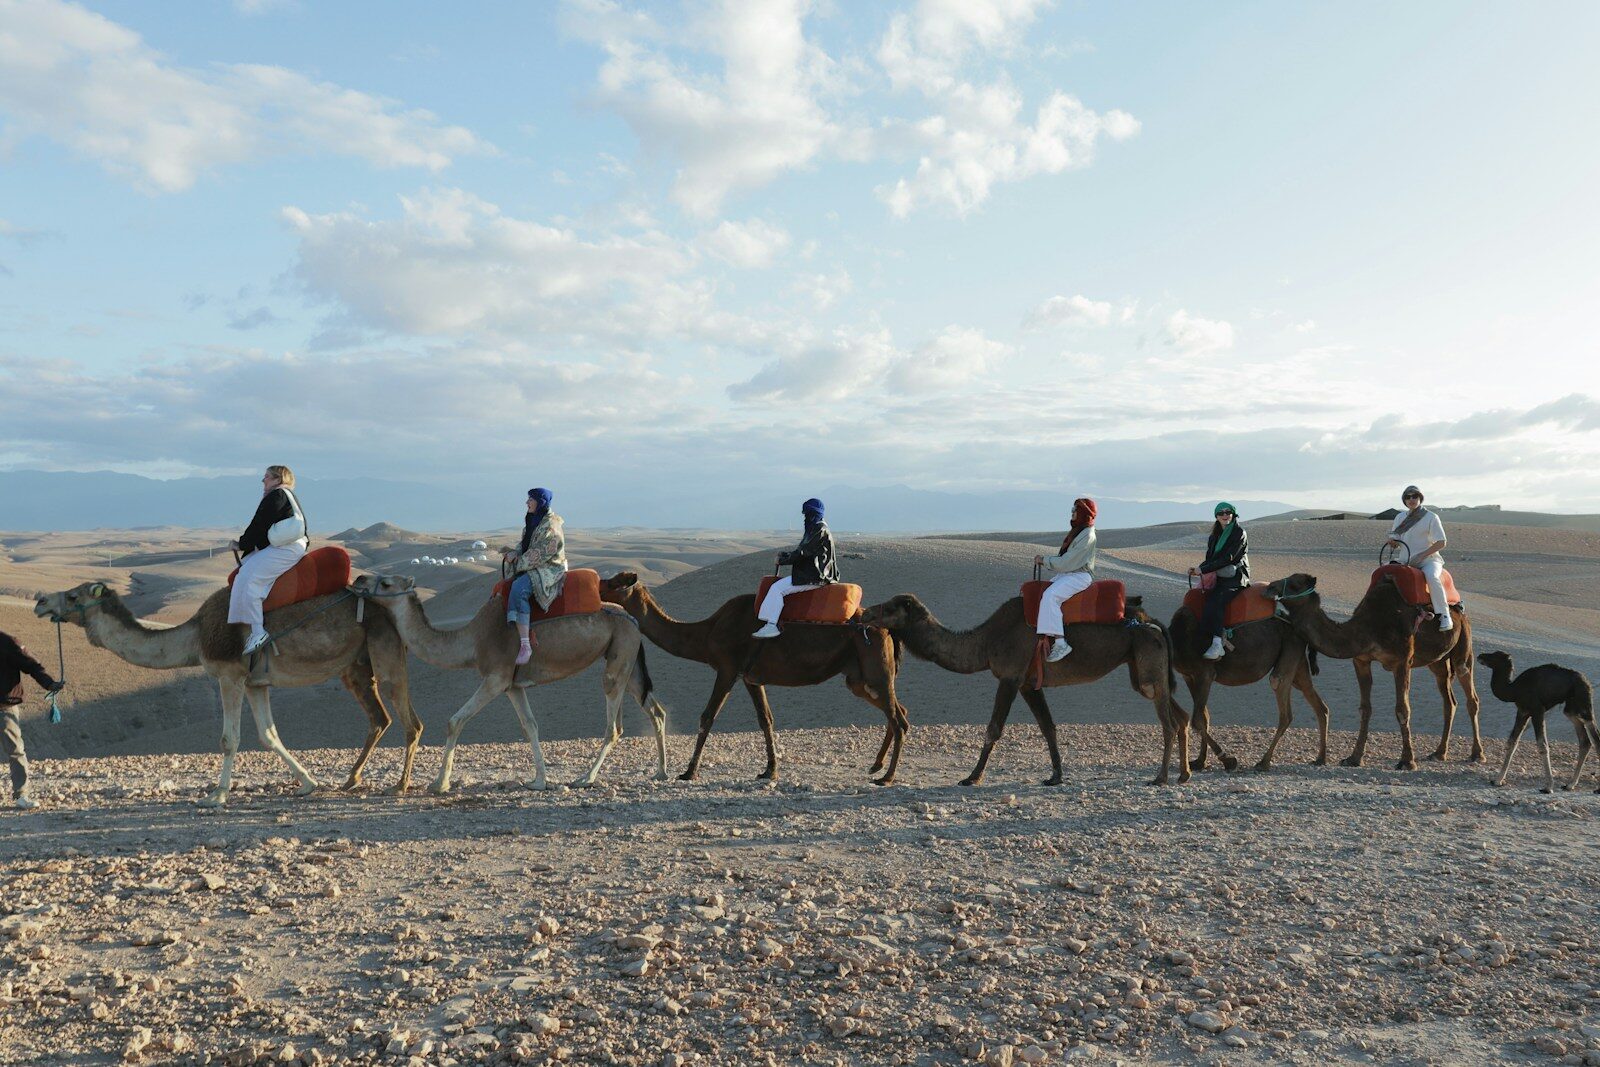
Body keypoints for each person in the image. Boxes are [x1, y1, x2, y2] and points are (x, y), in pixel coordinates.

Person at [228, 465, 308, 656]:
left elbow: (260, 524)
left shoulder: (277, 496)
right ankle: (247, 626)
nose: (263, 481)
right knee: (245, 573)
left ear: (278, 479)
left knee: (251, 580)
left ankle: (258, 632)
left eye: (267, 477)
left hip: (286, 549)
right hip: (284, 546)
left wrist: (241, 544)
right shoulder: (285, 496)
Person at [754, 498, 837, 638]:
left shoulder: (819, 529)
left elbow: (803, 553)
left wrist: (783, 560)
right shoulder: (816, 528)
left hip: (816, 576)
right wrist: (786, 555)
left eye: (807, 514)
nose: (805, 517)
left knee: (777, 589)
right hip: (815, 573)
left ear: (813, 513)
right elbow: (803, 550)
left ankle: (771, 625)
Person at [502, 488, 568, 665]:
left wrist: (517, 562)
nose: (527, 502)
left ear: (541, 502)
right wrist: (515, 552)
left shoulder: (552, 527)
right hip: (533, 563)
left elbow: (540, 554)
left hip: (550, 567)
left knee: (519, 588)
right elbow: (525, 544)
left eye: (530, 499)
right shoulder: (533, 521)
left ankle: (525, 644)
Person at [1, 628, 64, 810]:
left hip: (4, 706)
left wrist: (49, 683)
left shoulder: (8, 642)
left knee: (15, 750)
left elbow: (32, 665)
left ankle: (22, 795)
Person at [1033, 497, 1099, 663]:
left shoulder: (1087, 535)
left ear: (1083, 513)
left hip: (1079, 575)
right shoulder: (1079, 532)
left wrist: (1044, 560)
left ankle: (1061, 643)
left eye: (1075, 511)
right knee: (1043, 592)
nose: (1072, 513)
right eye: (1072, 510)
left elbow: (1067, 562)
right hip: (1069, 573)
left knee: (1051, 596)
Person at [1385, 485, 1452, 631]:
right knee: (1381, 574)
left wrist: (1422, 555)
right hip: (1405, 560)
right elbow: (1395, 538)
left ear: (1420, 498)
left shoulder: (1431, 517)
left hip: (1429, 560)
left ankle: (1444, 615)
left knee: (1432, 576)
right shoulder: (1400, 517)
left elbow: (1442, 542)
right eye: (1408, 497)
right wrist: (1392, 542)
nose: (1411, 499)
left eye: (1414, 496)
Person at [1190, 502, 1250, 661]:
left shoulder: (1239, 533)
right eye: (1221, 513)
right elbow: (1210, 559)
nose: (1225, 515)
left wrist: (1202, 570)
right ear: (1216, 516)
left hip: (1235, 577)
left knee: (1215, 601)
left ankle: (1217, 643)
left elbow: (1229, 558)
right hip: (1218, 575)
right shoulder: (1214, 536)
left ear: (1233, 514)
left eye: (1228, 512)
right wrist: (1198, 569)